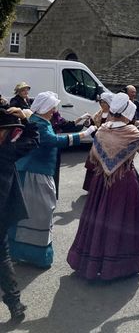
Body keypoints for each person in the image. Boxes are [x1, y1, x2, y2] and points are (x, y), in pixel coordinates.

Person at [67, 93, 139, 280]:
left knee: (98, 218)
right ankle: (118, 266)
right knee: (121, 221)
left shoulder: (102, 130)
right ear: (127, 113)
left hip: (100, 182)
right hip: (124, 182)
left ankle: (92, 262)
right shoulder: (131, 133)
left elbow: (94, 157)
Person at [8, 92, 96, 268]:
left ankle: (22, 253)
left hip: (36, 172)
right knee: (40, 214)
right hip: (34, 174)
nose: (54, 110)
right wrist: (84, 134)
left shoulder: (39, 119)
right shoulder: (39, 123)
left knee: (33, 215)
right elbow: (54, 140)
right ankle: (34, 256)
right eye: (52, 107)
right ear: (46, 108)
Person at [0, 108, 39, 321]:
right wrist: (26, 118)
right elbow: (33, 138)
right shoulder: (7, 151)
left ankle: (15, 303)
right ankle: (14, 303)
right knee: (3, 259)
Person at [82, 91, 114, 191]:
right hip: (96, 144)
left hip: (107, 145)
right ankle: (90, 187)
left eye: (104, 102)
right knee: (93, 165)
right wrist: (88, 123)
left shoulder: (113, 116)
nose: (102, 104)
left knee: (103, 167)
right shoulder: (97, 114)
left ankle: (102, 188)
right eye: (101, 102)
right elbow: (92, 127)